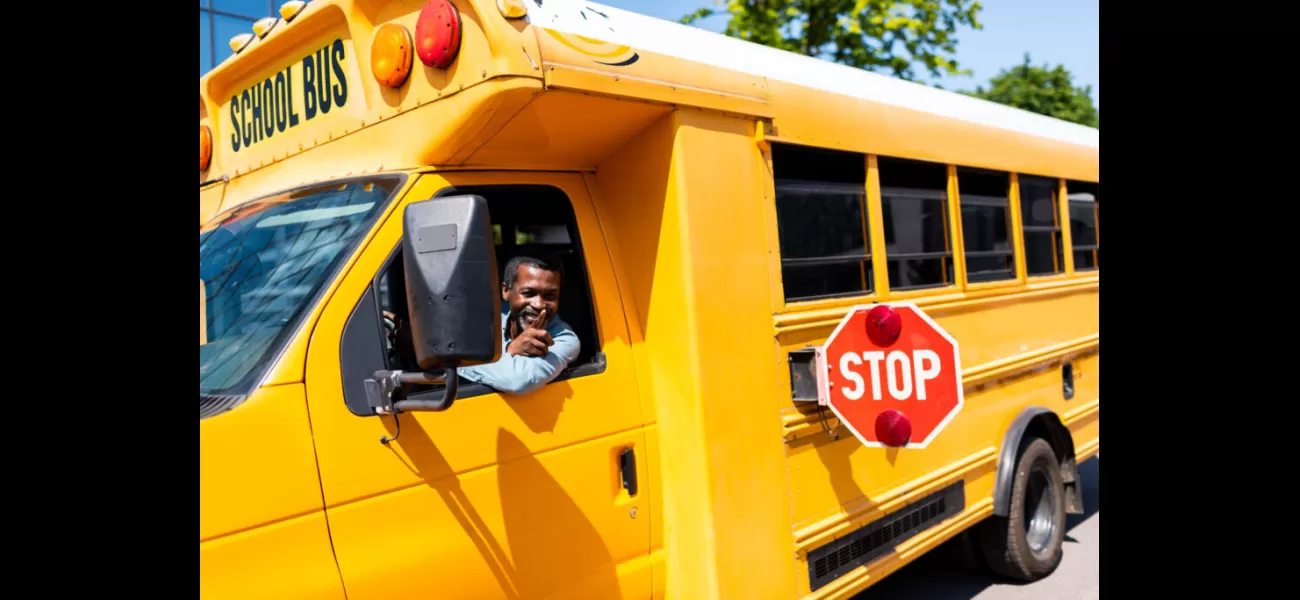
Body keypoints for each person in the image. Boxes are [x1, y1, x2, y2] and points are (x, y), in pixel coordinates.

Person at [458, 255, 581, 395]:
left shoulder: (564, 339)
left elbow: (518, 381)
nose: (539, 305)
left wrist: (454, 363)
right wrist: (511, 350)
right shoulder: (484, 317)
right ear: (506, 291)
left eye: (549, 296)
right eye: (528, 293)